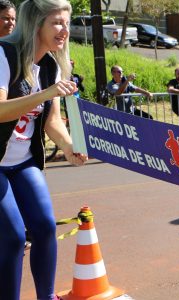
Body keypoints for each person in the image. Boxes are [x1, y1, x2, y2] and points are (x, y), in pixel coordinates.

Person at [0, 1, 88, 299]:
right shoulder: (4, 54)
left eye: (66, 23)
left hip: (23, 162)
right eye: (57, 23)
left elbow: (51, 120)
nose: (65, 30)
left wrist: (67, 146)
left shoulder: (51, 66)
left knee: (45, 228)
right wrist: (46, 92)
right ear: (37, 24)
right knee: (12, 238)